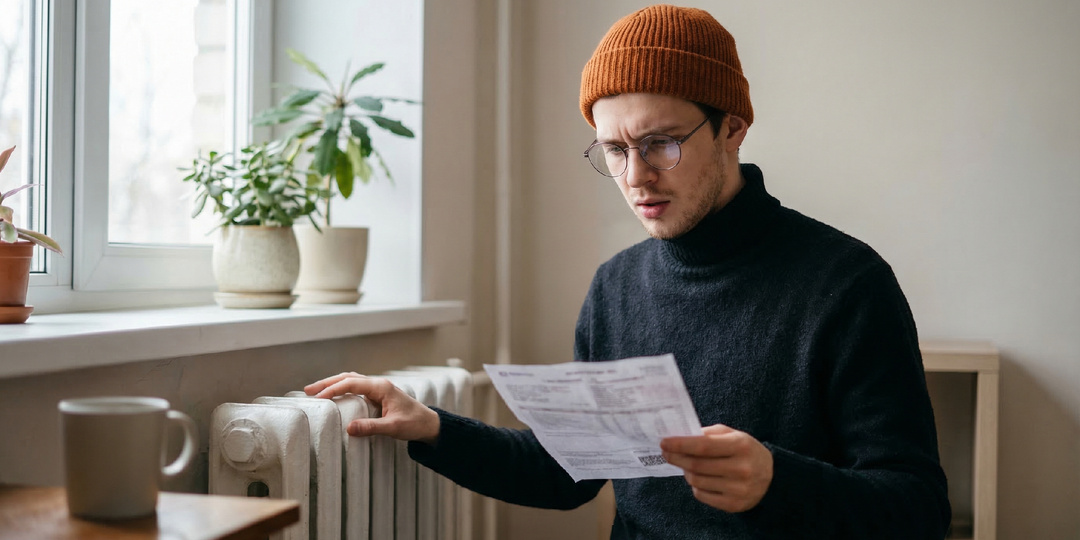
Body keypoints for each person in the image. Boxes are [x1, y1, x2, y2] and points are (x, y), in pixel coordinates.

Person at [305, 4, 951, 539]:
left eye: (660, 144)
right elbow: (566, 475)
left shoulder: (848, 285)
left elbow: (918, 509)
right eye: (614, 150)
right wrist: (434, 427)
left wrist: (778, 483)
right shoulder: (615, 288)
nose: (636, 177)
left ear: (733, 129)